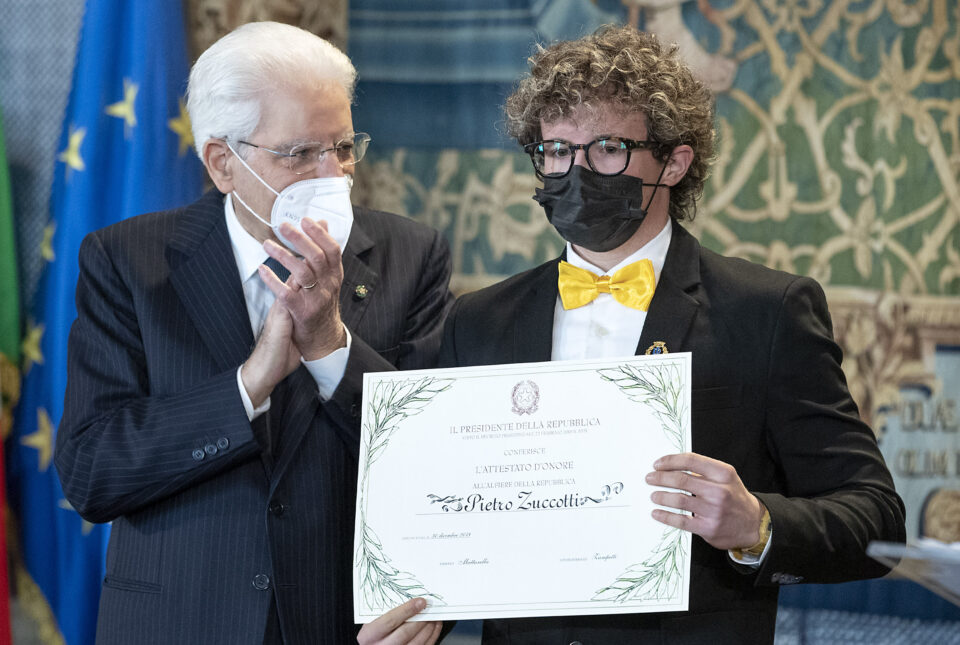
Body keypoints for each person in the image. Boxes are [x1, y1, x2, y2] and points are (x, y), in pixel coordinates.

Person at [437, 25, 906, 644]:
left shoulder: (766, 312)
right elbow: (451, 510)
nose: (576, 170)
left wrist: (758, 525)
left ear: (675, 162)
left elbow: (877, 521)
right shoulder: (477, 321)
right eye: (555, 150)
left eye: (608, 148)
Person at [55, 22, 449, 645]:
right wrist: (246, 386)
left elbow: (440, 458)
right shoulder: (128, 260)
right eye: (301, 154)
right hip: (181, 624)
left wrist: (330, 349)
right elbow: (92, 473)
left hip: (342, 625)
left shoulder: (411, 253)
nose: (333, 174)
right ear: (224, 163)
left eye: (343, 147)